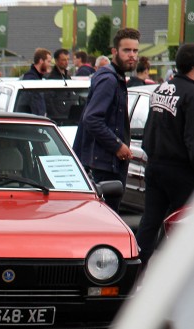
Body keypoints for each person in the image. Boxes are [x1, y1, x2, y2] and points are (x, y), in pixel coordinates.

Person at [136, 44, 194, 263]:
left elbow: (151, 127)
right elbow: (191, 138)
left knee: (150, 222)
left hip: (155, 164)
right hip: (180, 171)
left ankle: (137, 268)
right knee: (183, 226)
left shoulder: (161, 88)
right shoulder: (191, 93)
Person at [72, 28, 139, 212]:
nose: (132, 55)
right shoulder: (109, 80)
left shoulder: (115, 78)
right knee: (105, 221)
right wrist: (118, 146)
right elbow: (92, 119)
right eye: (127, 50)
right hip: (103, 166)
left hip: (105, 163)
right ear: (114, 51)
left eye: (135, 51)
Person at [21, 48, 52, 116]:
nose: (50, 65)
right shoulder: (30, 80)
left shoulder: (39, 78)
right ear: (41, 61)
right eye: (48, 62)